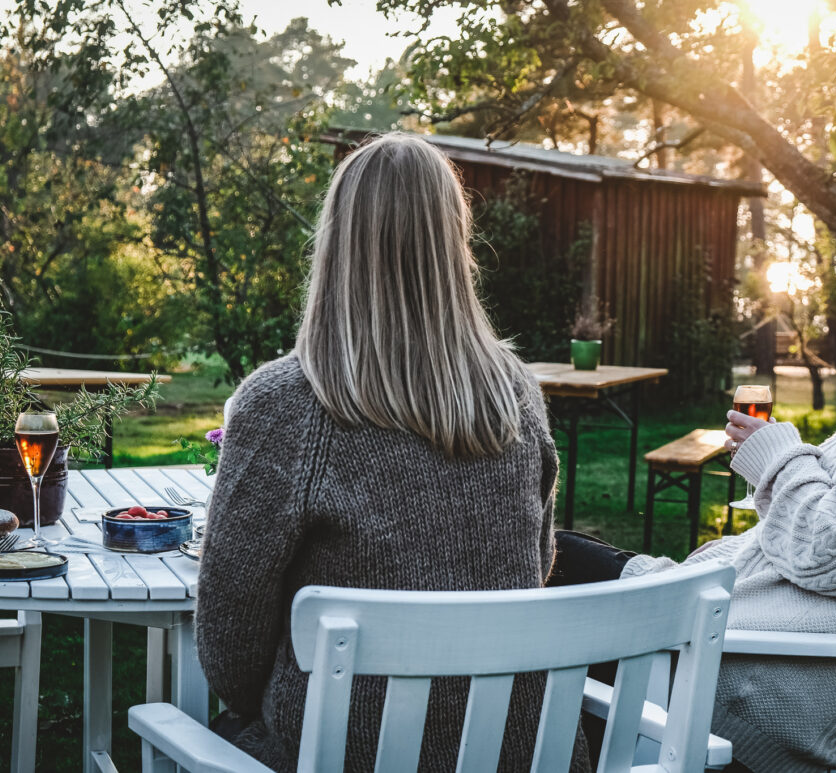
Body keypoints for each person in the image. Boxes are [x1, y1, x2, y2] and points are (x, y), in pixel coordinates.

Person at [556, 202, 836, 772]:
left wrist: (778, 457)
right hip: (738, 626)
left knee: (543, 598)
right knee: (554, 556)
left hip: (761, 675)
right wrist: (776, 461)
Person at [195, 133, 588, 772]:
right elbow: (533, 564)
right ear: (453, 246)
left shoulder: (284, 404)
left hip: (345, 755)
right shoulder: (514, 390)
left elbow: (229, 652)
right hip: (522, 753)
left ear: (337, 243)